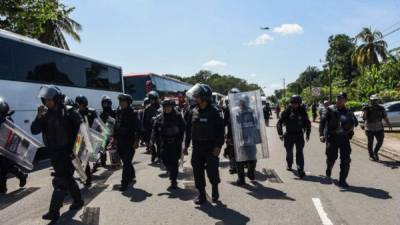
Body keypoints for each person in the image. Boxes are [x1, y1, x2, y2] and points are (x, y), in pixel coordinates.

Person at [31, 85, 83, 222]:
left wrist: (75, 152)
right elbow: (34, 130)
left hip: (67, 154)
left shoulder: (69, 113)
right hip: (54, 154)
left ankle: (53, 212)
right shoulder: (46, 115)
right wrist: (38, 117)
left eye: (49, 100)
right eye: (45, 100)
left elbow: (81, 134)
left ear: (57, 99)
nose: (46, 102)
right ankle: (78, 201)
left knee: (60, 182)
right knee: (68, 179)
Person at [184, 83, 225, 204]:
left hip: (211, 147)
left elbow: (221, 131)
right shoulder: (192, 111)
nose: (195, 97)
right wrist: (185, 145)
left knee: (212, 171)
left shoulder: (215, 112)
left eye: (197, 95)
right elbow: (188, 129)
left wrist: (218, 146)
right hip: (197, 147)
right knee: (197, 171)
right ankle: (201, 195)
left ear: (204, 97)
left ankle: (215, 190)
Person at [319, 92, 358, 188]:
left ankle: (342, 180)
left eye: (341, 98)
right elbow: (322, 122)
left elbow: (355, 123)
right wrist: (321, 135)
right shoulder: (330, 110)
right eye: (338, 98)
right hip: (332, 138)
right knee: (331, 157)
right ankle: (329, 168)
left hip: (344, 138)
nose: (339, 100)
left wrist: (349, 127)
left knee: (346, 160)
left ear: (345, 100)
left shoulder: (349, 111)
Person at [151, 98, 185, 189]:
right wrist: (152, 140)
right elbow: (154, 129)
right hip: (164, 143)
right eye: (165, 107)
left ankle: (173, 181)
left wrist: (181, 141)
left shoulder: (178, 116)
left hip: (175, 143)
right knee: (164, 159)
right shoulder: (160, 117)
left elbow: (183, 128)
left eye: (168, 107)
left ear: (172, 107)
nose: (167, 108)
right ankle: (170, 170)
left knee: (174, 162)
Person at [277, 95, 311, 178]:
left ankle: (300, 169)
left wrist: (308, 134)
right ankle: (289, 164)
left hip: (299, 135)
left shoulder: (302, 111)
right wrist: (280, 133)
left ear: (299, 103)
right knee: (289, 152)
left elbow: (308, 123)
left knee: (299, 152)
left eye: (296, 103)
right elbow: (279, 123)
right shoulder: (287, 111)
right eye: (293, 103)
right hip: (289, 135)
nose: (294, 105)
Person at [0, 99, 28, 194]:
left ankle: (2, 189)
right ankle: (22, 175)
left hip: (6, 147)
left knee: (4, 168)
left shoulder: (7, 120)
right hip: (2, 147)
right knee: (5, 167)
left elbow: (8, 135)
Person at [114, 94, 139, 191]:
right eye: (120, 101)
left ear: (128, 103)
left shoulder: (133, 113)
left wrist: (136, 141)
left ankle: (124, 183)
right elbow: (116, 125)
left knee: (126, 163)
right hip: (120, 141)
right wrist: (114, 138)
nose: (121, 103)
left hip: (130, 141)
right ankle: (132, 176)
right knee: (125, 161)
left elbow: (138, 128)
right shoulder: (118, 112)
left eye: (123, 102)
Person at [234, 94, 259, 185]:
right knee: (240, 160)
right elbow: (233, 125)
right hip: (240, 139)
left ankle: (250, 172)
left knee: (252, 158)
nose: (243, 103)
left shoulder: (252, 111)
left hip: (251, 138)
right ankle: (241, 178)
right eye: (241, 101)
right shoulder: (236, 111)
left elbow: (257, 124)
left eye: (244, 101)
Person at [75, 95, 98, 186]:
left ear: (84, 103)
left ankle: (88, 179)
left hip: (89, 138)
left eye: (80, 103)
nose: (79, 105)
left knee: (86, 159)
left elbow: (97, 124)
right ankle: (83, 176)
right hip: (79, 138)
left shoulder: (91, 112)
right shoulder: (76, 113)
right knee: (78, 159)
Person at [363, 95, 392, 161]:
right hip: (369, 127)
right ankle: (371, 155)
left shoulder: (381, 108)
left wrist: (389, 124)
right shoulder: (367, 108)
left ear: (378, 100)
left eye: (376, 100)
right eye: (373, 100)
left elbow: (385, 116)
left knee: (380, 141)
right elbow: (364, 118)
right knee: (370, 142)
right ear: (370, 101)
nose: (374, 102)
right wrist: (365, 112)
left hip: (379, 127)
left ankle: (375, 152)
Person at [224, 88, 240, 174]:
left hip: (243, 132)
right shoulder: (228, 108)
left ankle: (250, 164)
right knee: (231, 150)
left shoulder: (244, 105)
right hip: (231, 133)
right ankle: (233, 166)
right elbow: (224, 122)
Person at [143, 91, 161, 162]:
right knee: (151, 143)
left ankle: (159, 156)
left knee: (159, 143)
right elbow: (144, 120)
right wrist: (143, 129)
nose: (151, 100)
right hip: (150, 129)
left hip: (158, 128)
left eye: (152, 99)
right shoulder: (147, 108)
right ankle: (153, 154)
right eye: (150, 99)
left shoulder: (161, 107)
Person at [99, 95, 116, 167]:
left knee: (113, 148)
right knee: (102, 147)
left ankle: (115, 161)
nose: (105, 105)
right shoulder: (101, 114)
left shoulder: (114, 112)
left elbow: (116, 122)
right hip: (104, 133)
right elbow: (99, 123)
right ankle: (103, 162)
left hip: (113, 133)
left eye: (107, 103)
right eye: (104, 103)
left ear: (110, 103)